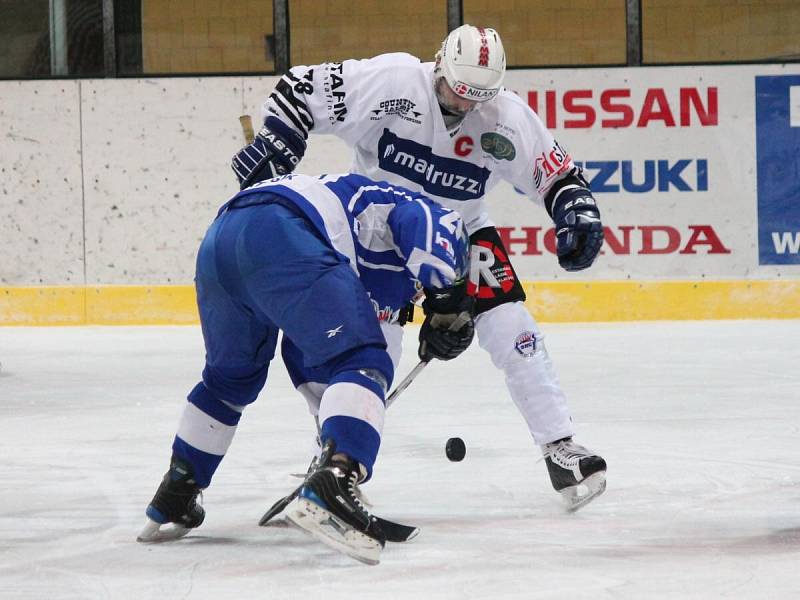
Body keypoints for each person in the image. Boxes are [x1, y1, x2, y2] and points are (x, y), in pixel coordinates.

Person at [231, 25, 607, 511]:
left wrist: (575, 210)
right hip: (379, 231)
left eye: (477, 98)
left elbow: (555, 175)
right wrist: (277, 142)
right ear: (438, 65)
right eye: (455, 90)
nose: (463, 107)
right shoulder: (391, 83)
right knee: (367, 354)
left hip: (463, 229)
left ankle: (561, 447)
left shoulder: (505, 116)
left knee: (513, 325)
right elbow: (301, 87)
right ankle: (334, 459)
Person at [138, 172, 474, 565]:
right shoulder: (424, 212)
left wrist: (331, 432)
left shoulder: (350, 239)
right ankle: (336, 479)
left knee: (229, 381)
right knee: (364, 358)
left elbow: (311, 357)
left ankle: (178, 491)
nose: (416, 294)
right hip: (280, 231)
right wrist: (449, 306)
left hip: (221, 240)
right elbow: (431, 226)